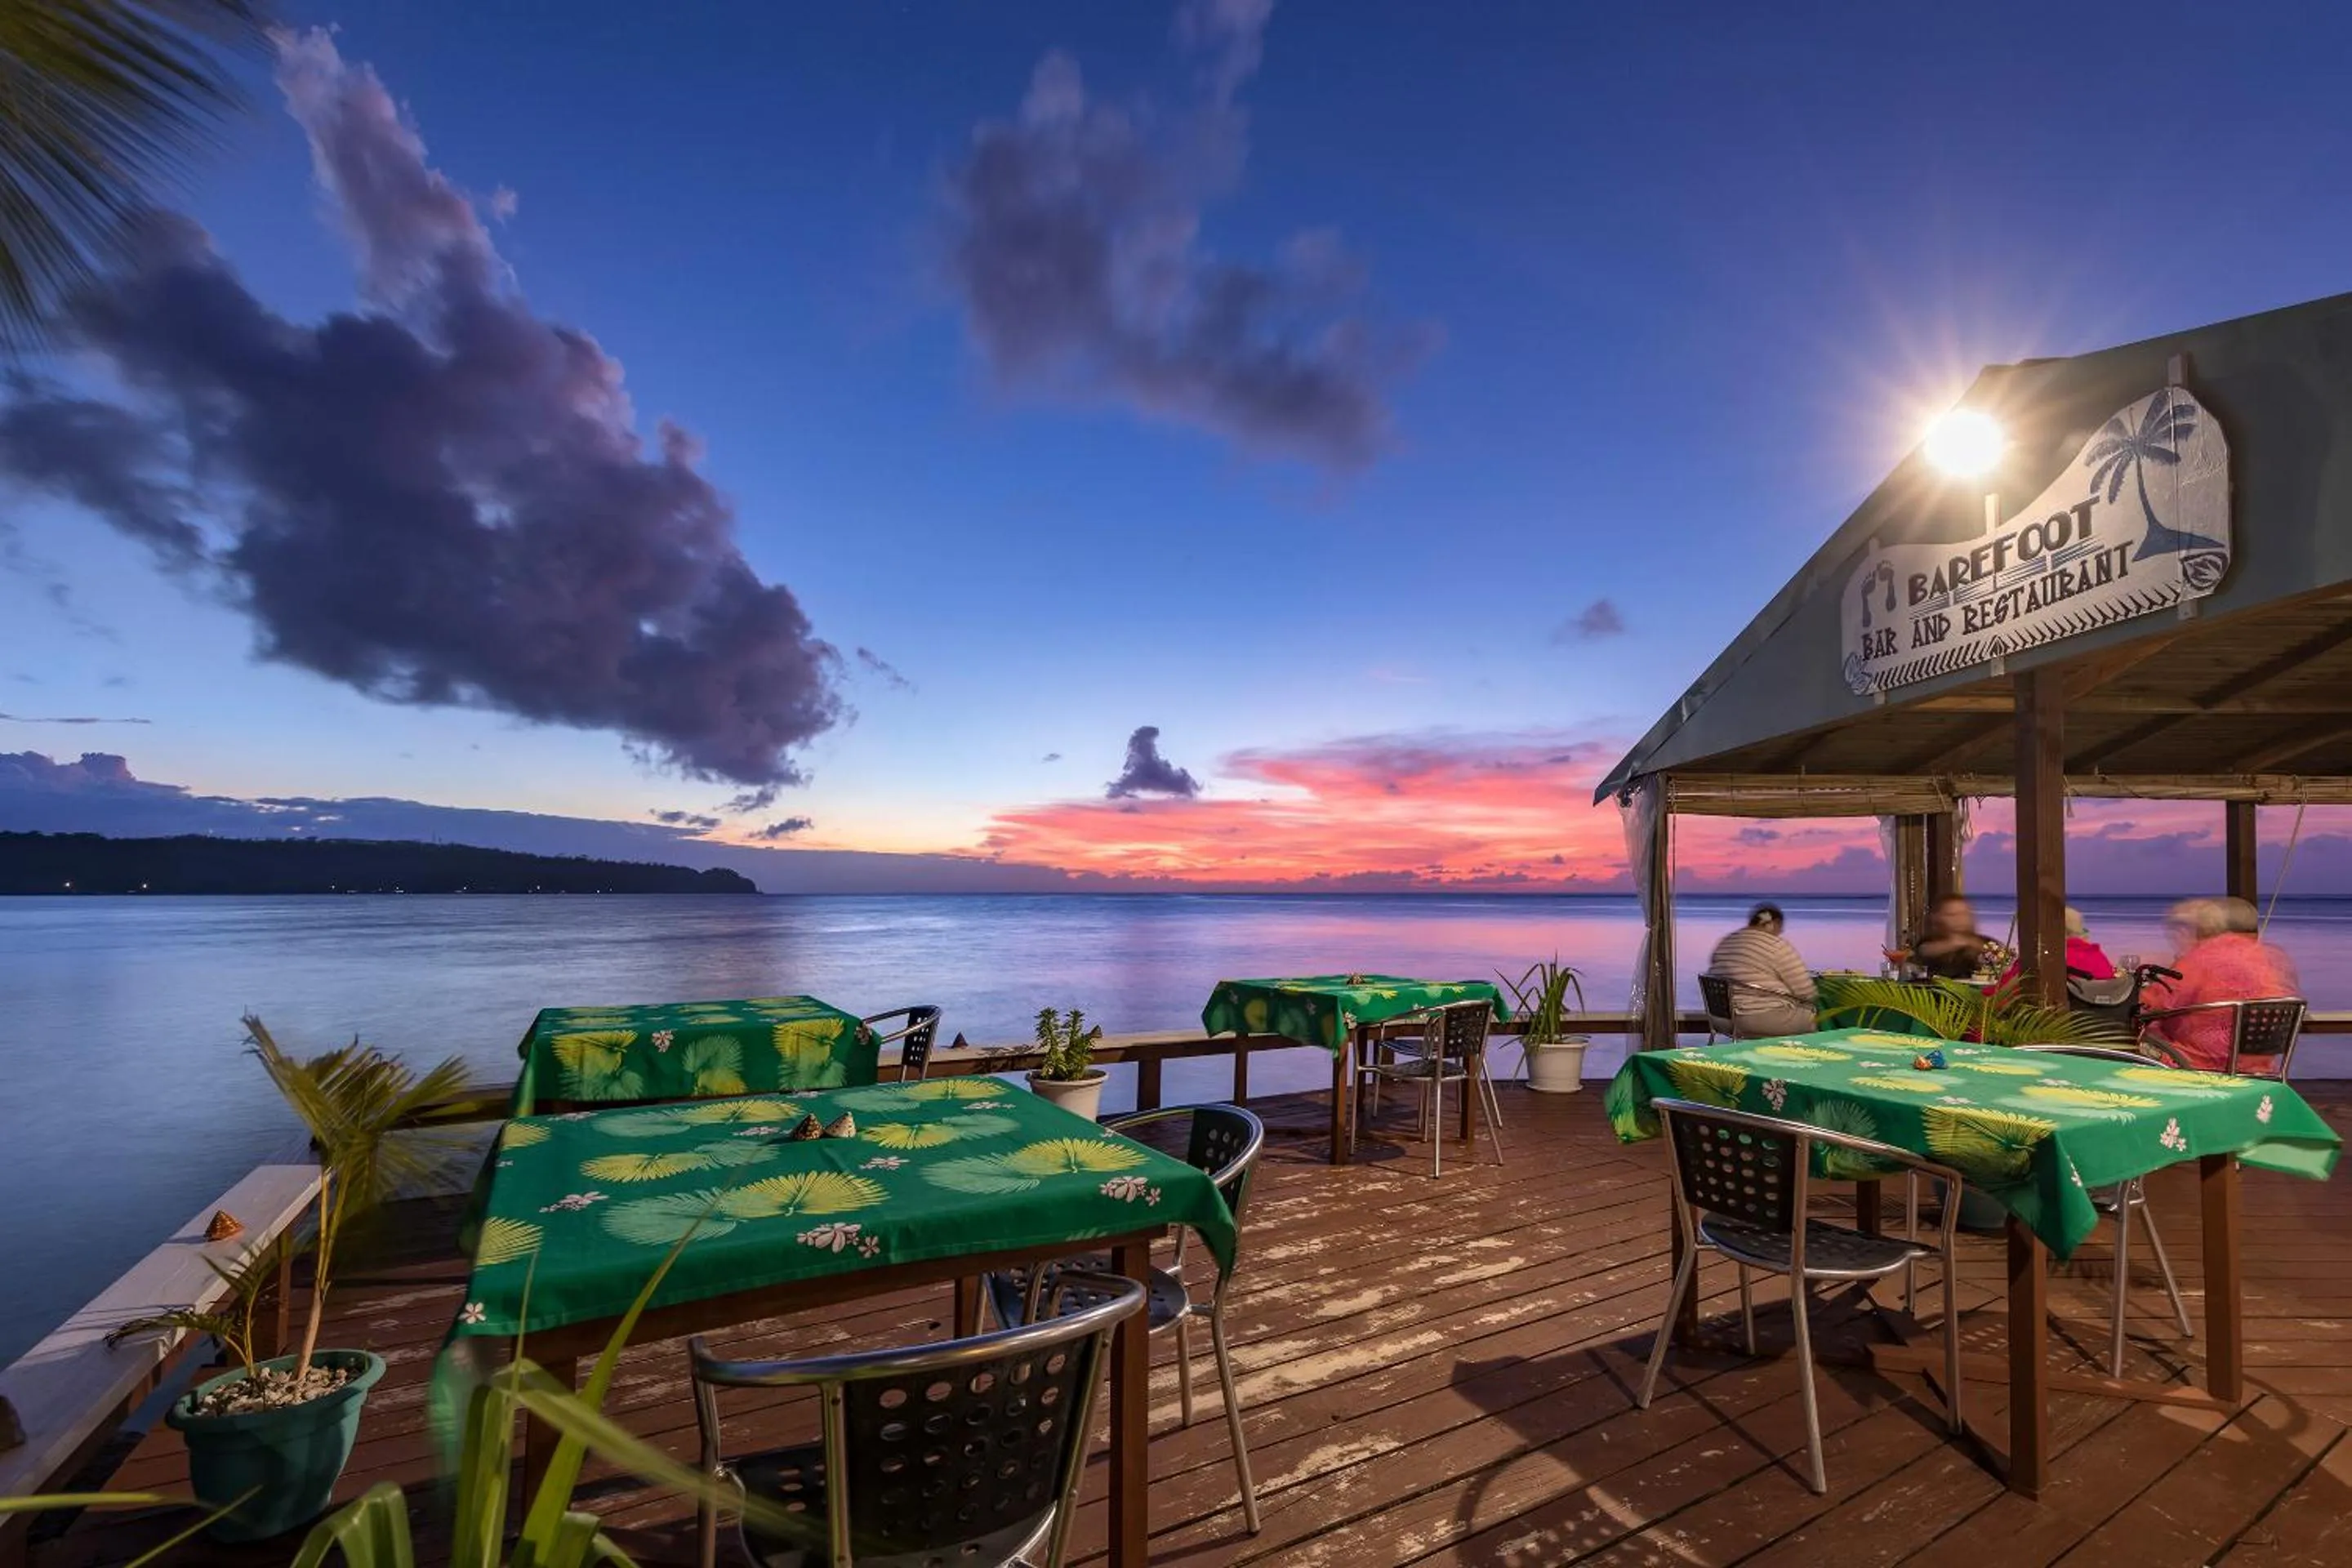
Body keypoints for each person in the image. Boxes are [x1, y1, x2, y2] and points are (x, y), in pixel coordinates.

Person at [2143, 896, 2301, 1072]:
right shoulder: (2274, 957)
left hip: (2198, 1063)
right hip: (2256, 1067)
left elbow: (2150, 1004)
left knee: (2127, 1036)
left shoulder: (2200, 959)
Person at [1707, 902, 1819, 1038]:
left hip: (1723, 1020)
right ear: (1775, 923)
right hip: (1763, 1019)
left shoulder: (1726, 942)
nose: (1780, 933)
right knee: (1823, 1017)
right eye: (1780, 928)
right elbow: (1806, 992)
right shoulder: (1776, 946)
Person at [1994, 906, 2118, 990]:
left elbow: (1998, 998)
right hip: (2099, 1023)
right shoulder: (2098, 956)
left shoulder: (2043, 959)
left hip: (2046, 1024)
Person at [1899, 894, 1993, 980]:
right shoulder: (1926, 944)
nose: (1959, 919)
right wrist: (1954, 943)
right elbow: (1921, 954)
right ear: (1938, 918)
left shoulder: (1986, 944)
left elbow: (2003, 962)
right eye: (1952, 915)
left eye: (1964, 914)